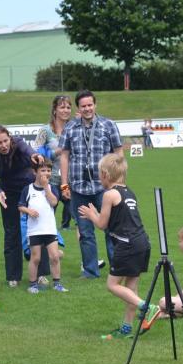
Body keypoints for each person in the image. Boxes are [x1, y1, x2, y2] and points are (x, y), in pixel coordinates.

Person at [78, 153, 154, 339]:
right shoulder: (129, 192)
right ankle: (126, 329)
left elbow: (102, 224)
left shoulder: (109, 194)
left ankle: (147, 308)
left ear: (105, 174)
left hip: (127, 245)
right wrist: (97, 213)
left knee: (112, 285)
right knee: (131, 289)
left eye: (99, 174)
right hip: (142, 242)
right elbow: (117, 220)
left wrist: (91, 215)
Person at [60, 89, 124, 279]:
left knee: (111, 230)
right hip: (79, 188)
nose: (87, 108)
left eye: (90, 105)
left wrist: (119, 182)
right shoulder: (70, 127)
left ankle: (117, 268)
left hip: (104, 188)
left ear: (95, 105)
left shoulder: (108, 125)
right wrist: (64, 184)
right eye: (83, 106)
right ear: (78, 108)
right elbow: (64, 156)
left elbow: (119, 153)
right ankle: (90, 271)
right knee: (85, 232)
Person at [0, 124, 47, 287]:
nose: (3, 145)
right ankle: (13, 276)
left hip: (29, 189)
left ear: (10, 138)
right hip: (8, 193)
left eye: (5, 141)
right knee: (11, 232)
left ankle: (41, 274)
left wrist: (35, 155)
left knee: (38, 229)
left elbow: (29, 151)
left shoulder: (18, 144)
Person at [18, 158, 67, 294]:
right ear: (35, 172)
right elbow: (20, 206)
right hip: (34, 230)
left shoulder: (52, 188)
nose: (46, 173)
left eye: (48, 170)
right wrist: (29, 211)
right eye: (43, 170)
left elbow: (53, 202)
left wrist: (46, 187)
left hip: (50, 229)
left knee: (54, 257)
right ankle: (33, 284)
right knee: (36, 258)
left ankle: (57, 283)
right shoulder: (28, 189)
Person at [35, 94, 73, 229]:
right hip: (51, 180)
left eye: (68, 107)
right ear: (55, 110)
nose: (66, 110)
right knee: (48, 214)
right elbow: (37, 155)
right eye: (62, 107)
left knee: (74, 212)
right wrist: (55, 152)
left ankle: (65, 226)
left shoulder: (74, 129)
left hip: (70, 180)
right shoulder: (45, 131)